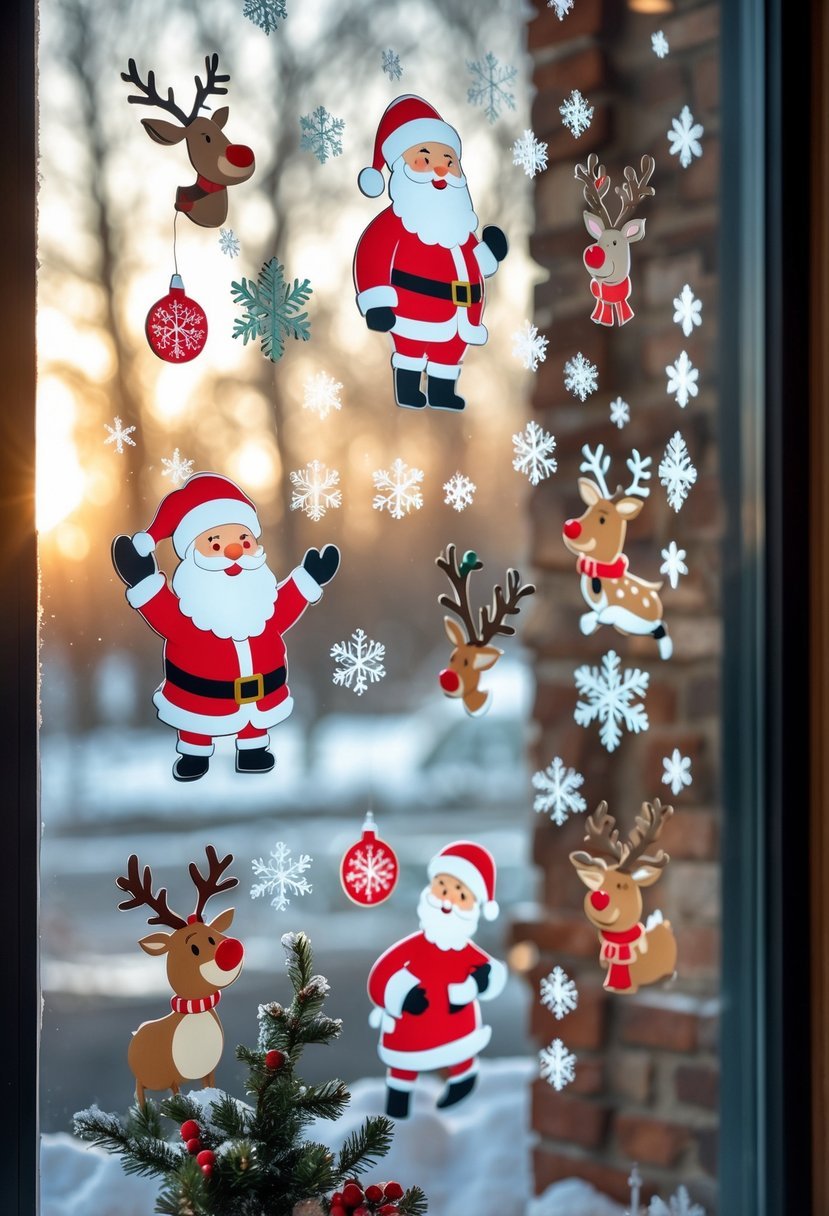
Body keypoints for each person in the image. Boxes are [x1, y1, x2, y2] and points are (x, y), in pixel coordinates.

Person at [111, 472, 339, 781]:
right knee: (196, 720)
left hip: (262, 694)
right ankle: (194, 752)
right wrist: (143, 582)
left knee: (255, 723)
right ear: (193, 552)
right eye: (215, 544)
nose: (234, 552)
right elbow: (164, 615)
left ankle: (253, 749)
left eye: (244, 541)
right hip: (200, 696)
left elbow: (282, 608)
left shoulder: (262, 603)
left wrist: (307, 580)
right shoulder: (191, 614)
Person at [353, 95, 508, 412]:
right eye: (424, 160)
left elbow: (473, 260)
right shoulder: (395, 223)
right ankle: (408, 387)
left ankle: (442, 392)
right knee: (411, 350)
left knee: (449, 355)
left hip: (461, 315)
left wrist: (491, 252)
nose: (440, 169)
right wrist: (377, 302)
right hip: (413, 314)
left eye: (449, 162)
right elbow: (372, 256)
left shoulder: (459, 228)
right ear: (401, 167)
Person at [367, 840, 507, 1118]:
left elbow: (491, 972)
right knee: (403, 1065)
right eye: (442, 887)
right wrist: (399, 997)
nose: (447, 900)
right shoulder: (413, 947)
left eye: (460, 894)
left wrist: (479, 982)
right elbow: (380, 976)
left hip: (457, 1028)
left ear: (474, 906)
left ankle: (463, 1079)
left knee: (460, 1056)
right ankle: (398, 1102)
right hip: (410, 1025)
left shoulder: (466, 951)